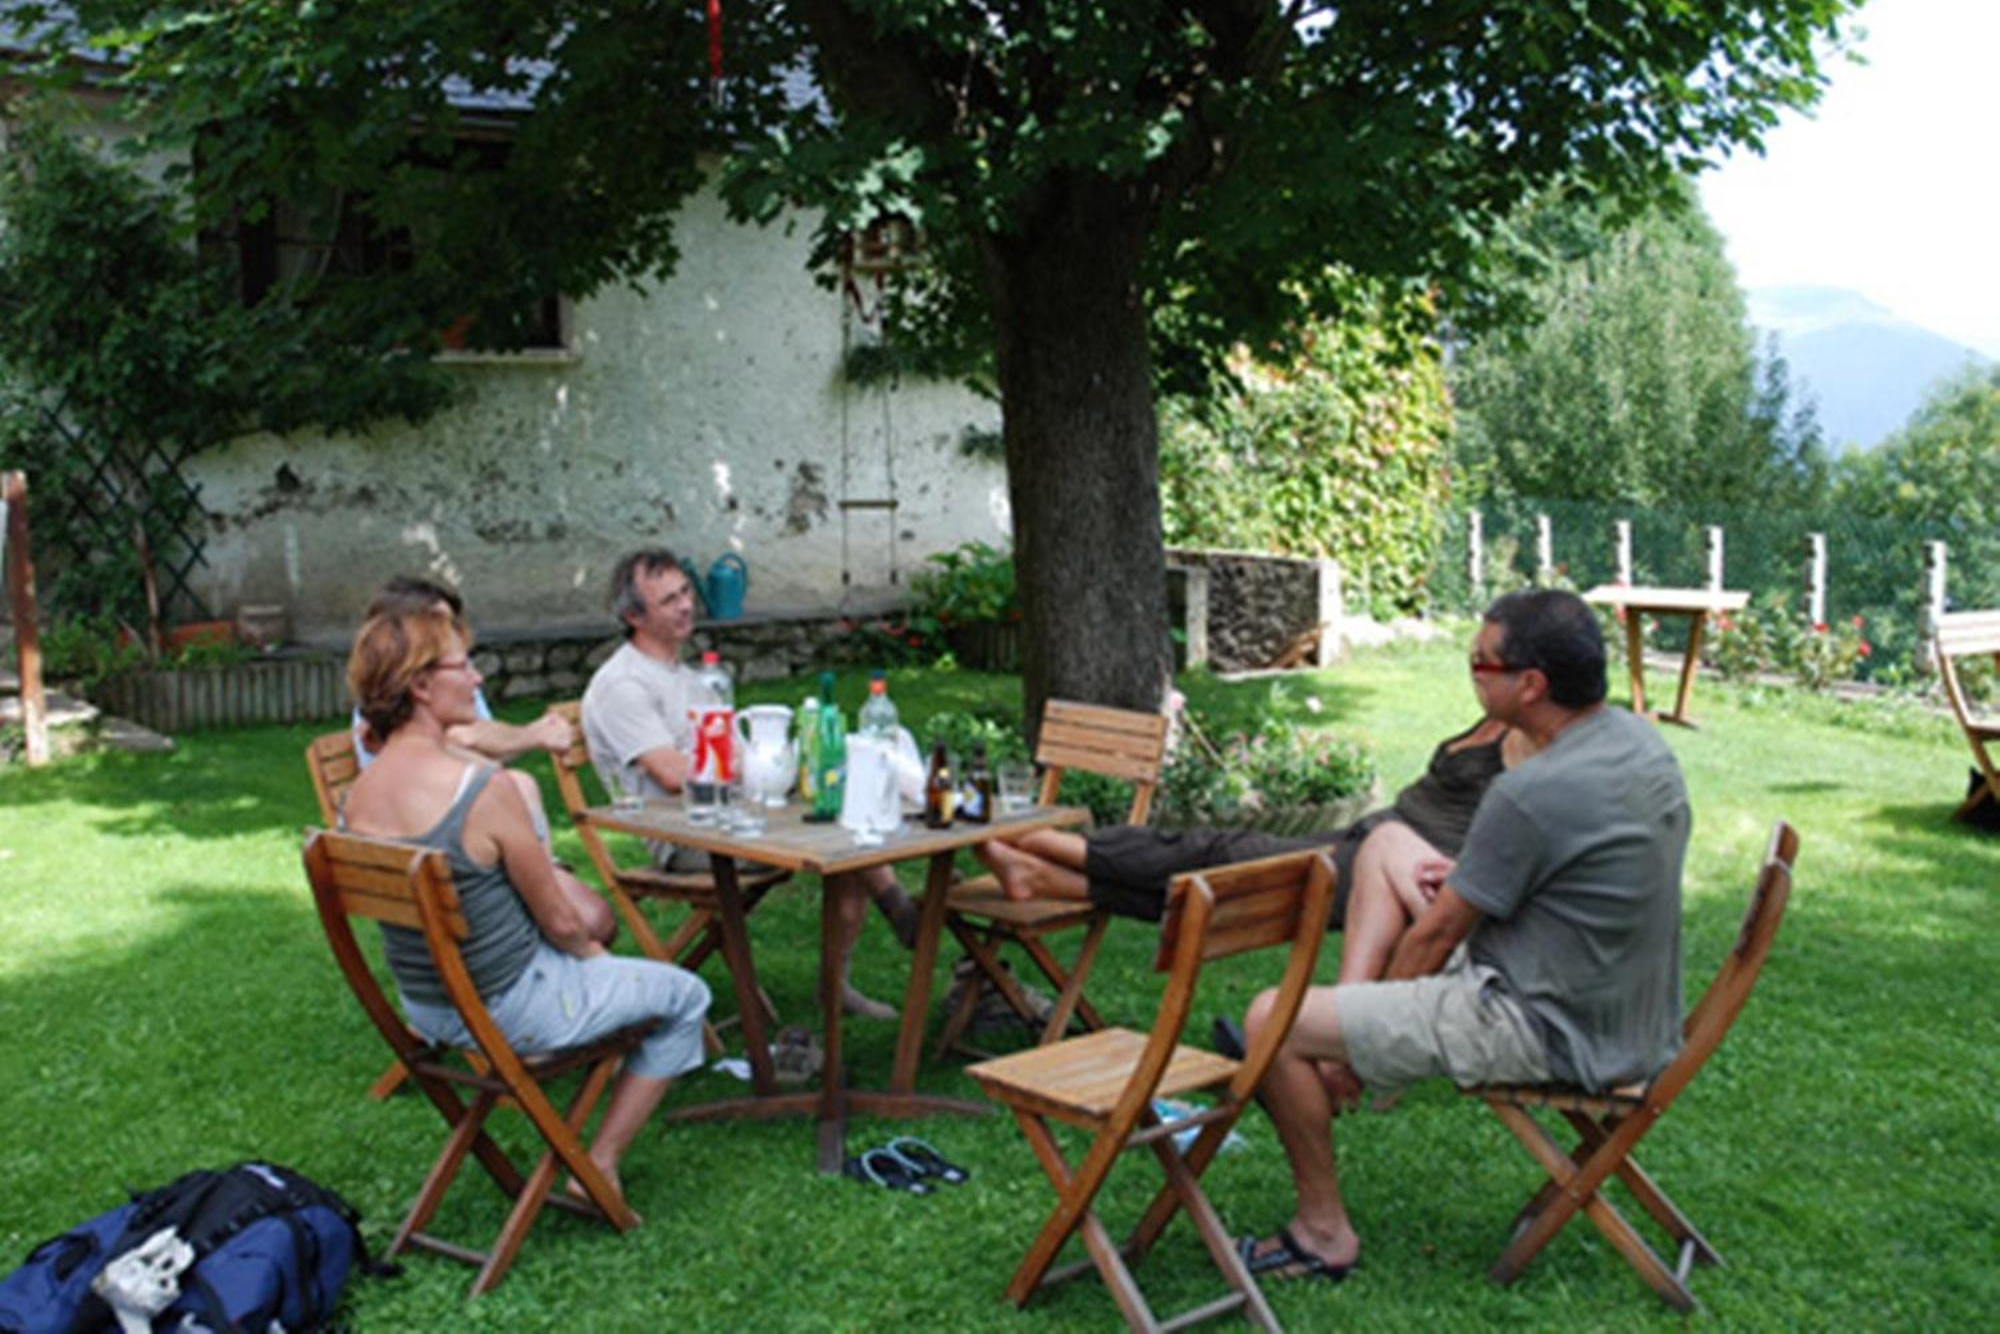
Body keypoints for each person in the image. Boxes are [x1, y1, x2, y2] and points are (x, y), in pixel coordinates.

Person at [1238, 589, 1690, 1282]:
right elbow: (1584, 873)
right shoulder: (1639, 744)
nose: (1472, 673)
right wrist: (1466, 880)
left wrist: (1356, 1053)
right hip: (1630, 1013)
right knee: (1389, 843)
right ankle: (1345, 1045)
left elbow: (1430, 942)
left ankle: (1322, 1227)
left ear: (1531, 684)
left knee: (1273, 1017)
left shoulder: (1529, 790)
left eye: (1482, 663)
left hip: (1547, 1025)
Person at [342, 606, 711, 1202]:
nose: (479, 679)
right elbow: (563, 923)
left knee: (619, 978)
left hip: (429, 1008)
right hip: (512, 1008)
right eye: (465, 666)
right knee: (685, 995)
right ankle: (599, 1166)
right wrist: (597, 962)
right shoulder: (481, 790)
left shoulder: (358, 796)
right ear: (421, 685)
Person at [581, 549, 912, 1020]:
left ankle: (851, 966)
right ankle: (899, 912)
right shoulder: (624, 685)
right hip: (683, 837)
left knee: (848, 824)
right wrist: (752, 765)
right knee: (845, 837)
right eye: (668, 601)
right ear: (634, 616)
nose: (685, 607)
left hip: (730, 814)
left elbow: (735, 753)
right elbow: (673, 774)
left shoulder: (690, 677)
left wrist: (765, 763)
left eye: (685, 593)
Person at [974, 719, 1536, 988]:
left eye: (1491, 660)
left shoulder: (1535, 738)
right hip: (1371, 836)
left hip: (1392, 868)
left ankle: (1036, 838)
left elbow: (1534, 818)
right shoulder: (1503, 715)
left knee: (1223, 852)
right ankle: (1041, 876)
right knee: (1220, 893)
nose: (1476, 667)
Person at [348, 575, 614, 945]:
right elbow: (465, 739)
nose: (475, 676)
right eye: (439, 634)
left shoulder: (415, 718)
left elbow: (474, 734)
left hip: (470, 858)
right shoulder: (416, 732)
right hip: (459, 869)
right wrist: (534, 735)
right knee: (595, 922)